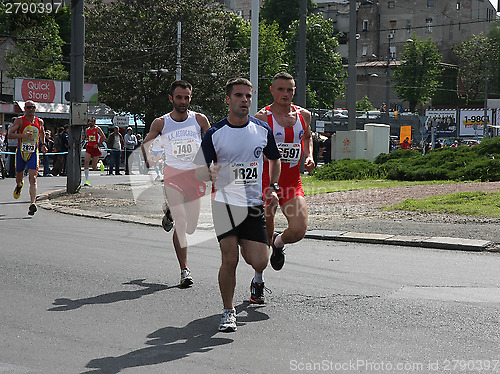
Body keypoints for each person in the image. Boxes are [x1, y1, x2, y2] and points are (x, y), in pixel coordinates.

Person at [195, 78, 281, 332]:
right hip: (224, 203)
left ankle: (259, 266)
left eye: (248, 96)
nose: (245, 100)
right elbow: (199, 169)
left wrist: (273, 186)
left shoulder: (262, 130)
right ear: (228, 100)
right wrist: (207, 174)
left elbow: (274, 159)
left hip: (253, 205)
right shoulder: (215, 133)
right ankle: (228, 311)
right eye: (239, 96)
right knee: (229, 258)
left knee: (259, 261)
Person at [141, 80, 210, 288]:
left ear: (191, 98)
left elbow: (214, 140)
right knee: (181, 224)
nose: (183, 101)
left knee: (191, 227)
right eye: (179, 97)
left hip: (195, 176)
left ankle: (169, 212)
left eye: (186, 97)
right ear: (171, 98)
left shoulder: (199, 119)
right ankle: (184, 270)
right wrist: (149, 159)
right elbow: (147, 143)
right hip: (173, 176)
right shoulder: (161, 123)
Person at [254, 72, 315, 272]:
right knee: (265, 229)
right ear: (272, 91)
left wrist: (309, 156)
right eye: (281, 89)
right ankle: (259, 276)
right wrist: (269, 154)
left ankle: (278, 243)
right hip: (267, 184)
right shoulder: (262, 118)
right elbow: (252, 151)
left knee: (298, 230)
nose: (285, 94)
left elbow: (307, 137)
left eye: (290, 90)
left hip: (291, 183)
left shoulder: (303, 115)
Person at [7, 100, 47, 215]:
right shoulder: (20, 120)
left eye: (33, 107)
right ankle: (19, 185)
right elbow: (10, 134)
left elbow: (42, 132)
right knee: (19, 178)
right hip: (21, 152)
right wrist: (23, 135)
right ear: (25, 109)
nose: (31, 109)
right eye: (29, 107)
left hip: (33, 152)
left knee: (33, 178)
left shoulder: (40, 121)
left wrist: (43, 144)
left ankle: (32, 203)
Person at [83, 117, 106, 186]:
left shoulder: (97, 129)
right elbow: (88, 138)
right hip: (89, 147)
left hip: (96, 148)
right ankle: (87, 180)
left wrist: (98, 144)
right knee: (86, 162)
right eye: (90, 121)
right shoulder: (87, 130)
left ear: (94, 122)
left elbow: (104, 137)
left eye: (92, 121)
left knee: (94, 167)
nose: (90, 123)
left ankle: (100, 163)